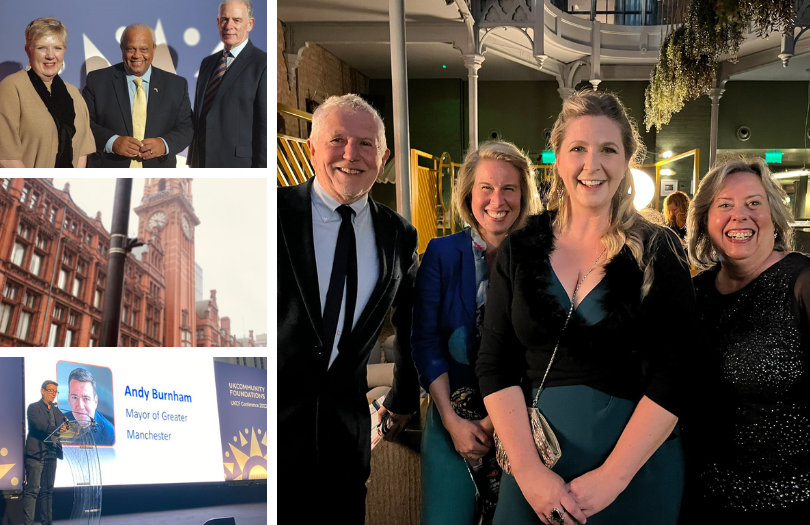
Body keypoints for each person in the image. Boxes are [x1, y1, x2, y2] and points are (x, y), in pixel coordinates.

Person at [476, 90, 694, 525]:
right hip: (535, 471)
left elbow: (678, 369)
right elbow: (494, 363)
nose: (592, 165)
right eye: (578, 148)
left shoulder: (658, 248)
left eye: (608, 150)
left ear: (626, 159)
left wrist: (613, 477)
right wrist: (529, 472)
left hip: (636, 475)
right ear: (557, 157)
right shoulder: (520, 248)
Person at [277, 94, 420, 523]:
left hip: (347, 435)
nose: (350, 155)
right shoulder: (272, 213)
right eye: (337, 140)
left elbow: (410, 322)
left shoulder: (399, 234)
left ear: (384, 156)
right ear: (312, 148)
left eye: (366, 144)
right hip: (266, 429)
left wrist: (403, 395)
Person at [412, 141, 541, 524]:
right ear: (469, 193)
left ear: (524, 195)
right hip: (451, 419)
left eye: (509, 188)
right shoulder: (441, 252)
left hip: (521, 422)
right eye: (486, 186)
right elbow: (425, 340)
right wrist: (452, 421)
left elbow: (541, 349)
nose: (496, 199)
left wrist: (494, 422)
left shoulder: (542, 257)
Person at [684, 157, 810, 523]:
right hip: (704, 501)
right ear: (706, 222)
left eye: (754, 203)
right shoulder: (695, 295)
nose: (740, 216)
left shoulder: (801, 282)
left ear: (774, 216)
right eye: (725, 205)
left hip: (790, 503)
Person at [82, 23, 193, 168]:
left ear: (154, 49)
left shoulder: (176, 85)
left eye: (144, 49)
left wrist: (164, 144)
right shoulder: (97, 81)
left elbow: (187, 127)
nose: (137, 55)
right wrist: (112, 142)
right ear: (122, 48)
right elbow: (84, 123)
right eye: (130, 49)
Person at [0, 17, 95, 168]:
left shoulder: (74, 94)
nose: (50, 55)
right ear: (28, 50)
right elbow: (6, 157)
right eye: (41, 48)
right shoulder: (11, 87)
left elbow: (82, 152)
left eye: (57, 48)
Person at [188, 0, 267, 168]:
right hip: (202, 164)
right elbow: (200, 117)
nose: (229, 25)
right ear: (218, 23)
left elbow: (264, 127)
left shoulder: (263, 64)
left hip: (238, 167)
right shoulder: (207, 64)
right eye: (224, 19)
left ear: (250, 24)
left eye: (237, 20)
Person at [23, 381, 65, 525]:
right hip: (36, 454)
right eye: (51, 390)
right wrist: (57, 428)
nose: (53, 394)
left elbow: (65, 424)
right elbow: (40, 425)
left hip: (51, 453)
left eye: (55, 391)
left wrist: (72, 429)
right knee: (33, 491)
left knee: (47, 492)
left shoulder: (57, 411)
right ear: (42, 391)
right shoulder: (34, 408)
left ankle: (47, 522)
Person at [62, 368, 114, 446]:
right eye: (74, 398)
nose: (80, 406)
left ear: (95, 401)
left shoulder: (110, 435)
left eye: (86, 399)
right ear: (69, 398)